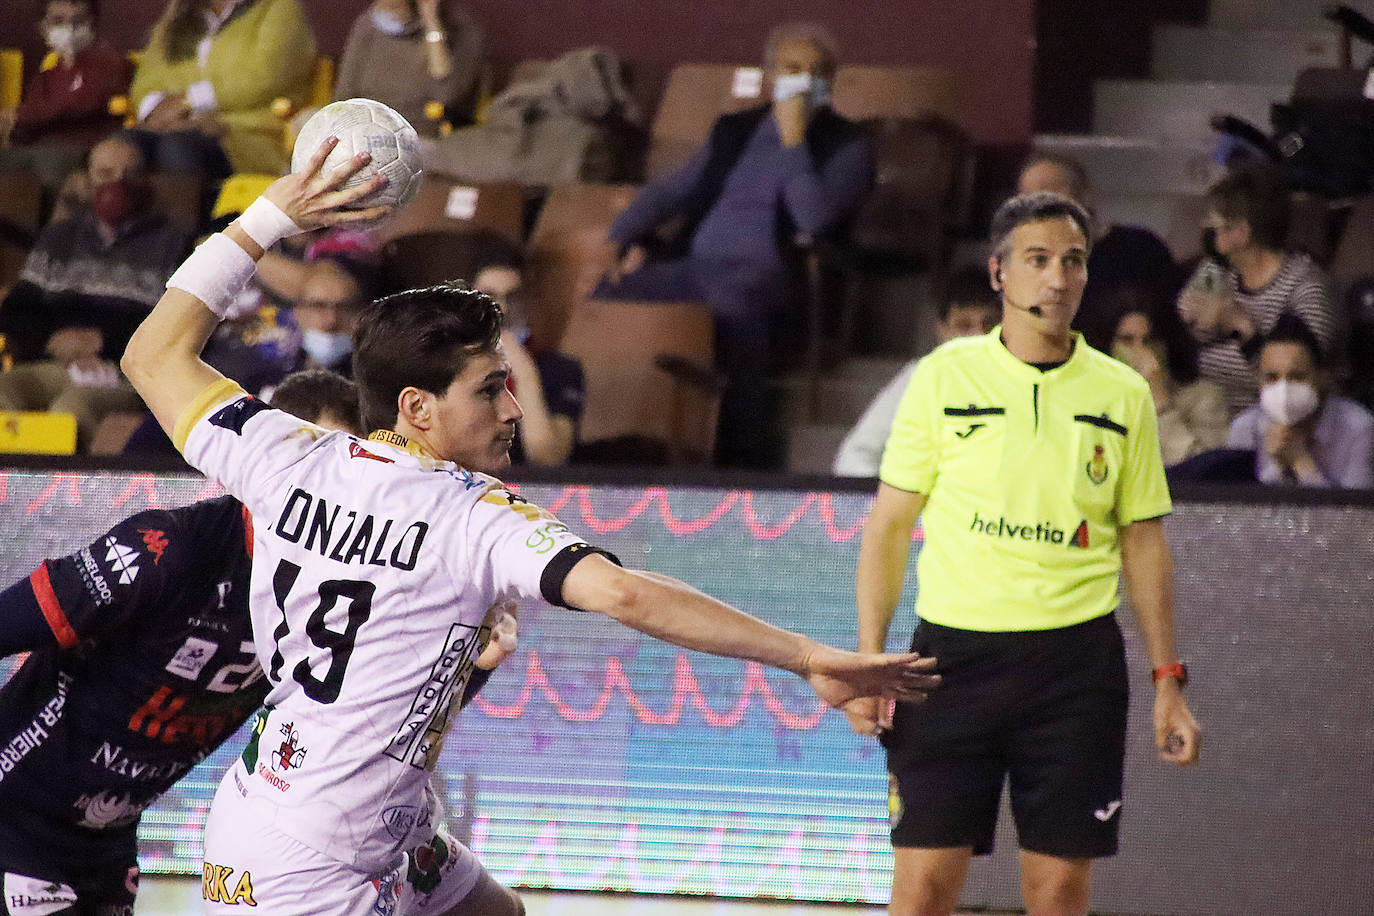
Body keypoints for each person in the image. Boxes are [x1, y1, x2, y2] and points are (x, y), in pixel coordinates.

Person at [118, 138, 939, 915]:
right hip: (311, 860)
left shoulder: (287, 453)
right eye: (490, 389)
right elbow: (625, 594)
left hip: (331, 814)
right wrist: (806, 657)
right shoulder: (469, 516)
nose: (513, 408)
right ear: (416, 407)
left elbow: (152, 356)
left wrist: (268, 217)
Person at [850, 192, 1201, 916]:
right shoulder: (943, 377)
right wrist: (866, 659)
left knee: (1060, 892)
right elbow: (888, 526)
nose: (1057, 278)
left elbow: (1143, 542)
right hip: (947, 666)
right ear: (998, 274)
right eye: (1037, 260)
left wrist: (1168, 678)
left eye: (1072, 261)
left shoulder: (1123, 392)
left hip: (1075, 672)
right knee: (920, 893)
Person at [594, 22, 875, 468]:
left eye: (816, 69)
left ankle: (738, 458)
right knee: (609, 298)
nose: (804, 77)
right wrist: (619, 237)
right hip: (693, 266)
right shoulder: (735, 129)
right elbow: (677, 188)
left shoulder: (849, 144)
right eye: (792, 67)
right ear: (770, 75)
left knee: (734, 304)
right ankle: (602, 437)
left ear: (831, 80)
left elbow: (814, 218)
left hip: (772, 276)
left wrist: (794, 141)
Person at [1176, 164, 1337, 416]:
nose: (1208, 224)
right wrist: (1185, 327)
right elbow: (1184, 347)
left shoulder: (1305, 289)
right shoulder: (1216, 272)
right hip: (1204, 411)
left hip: (1268, 422)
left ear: (1241, 231)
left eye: (1217, 218)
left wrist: (1241, 329)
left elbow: (1296, 385)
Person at [833, 265, 999, 477]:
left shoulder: (1024, 379)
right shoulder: (919, 377)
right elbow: (856, 456)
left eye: (990, 324)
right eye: (964, 326)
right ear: (942, 331)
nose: (978, 336)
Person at [1016, 152, 1182, 355]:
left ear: (1083, 196)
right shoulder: (1022, 267)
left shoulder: (1141, 249)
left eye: (1047, 191)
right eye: (1027, 197)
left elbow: (1172, 328)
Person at [125, 0, 316, 177]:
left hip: (249, 136)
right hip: (172, 128)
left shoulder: (278, 7)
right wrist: (159, 110)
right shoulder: (180, 14)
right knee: (119, 149)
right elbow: (146, 80)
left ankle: (178, 215)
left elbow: (266, 75)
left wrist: (189, 102)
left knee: (176, 148)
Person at [470, 237, 584, 466]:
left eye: (513, 297)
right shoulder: (443, 366)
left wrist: (523, 371)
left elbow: (546, 456)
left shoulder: (562, 370)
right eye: (488, 297)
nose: (501, 308)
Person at [1225, 313, 1374, 487]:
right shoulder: (1244, 428)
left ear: (1321, 376)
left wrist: (1301, 461)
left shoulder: (1360, 429)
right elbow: (1236, 507)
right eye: (1272, 378)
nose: (1284, 390)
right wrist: (1276, 466)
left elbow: (1354, 513)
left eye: (1296, 377)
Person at [0, 0, 134, 191]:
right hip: (38, 148)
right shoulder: (48, 73)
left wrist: (19, 115)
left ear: (92, 23)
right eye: (58, 20)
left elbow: (83, 102)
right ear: (43, 26)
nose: (69, 28)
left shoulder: (109, 60)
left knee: (53, 160)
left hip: (82, 147)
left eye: (78, 21)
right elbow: (30, 118)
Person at [333, 0, 485, 136]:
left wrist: (432, 26)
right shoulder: (368, 25)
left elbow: (446, 96)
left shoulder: (463, 31)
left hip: (421, 137)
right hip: (364, 131)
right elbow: (343, 96)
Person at [1110, 308, 1228, 466]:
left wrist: (1160, 400)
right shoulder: (1094, 397)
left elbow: (1204, 471)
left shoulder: (1203, 397)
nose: (1141, 351)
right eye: (1127, 340)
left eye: (1148, 341)